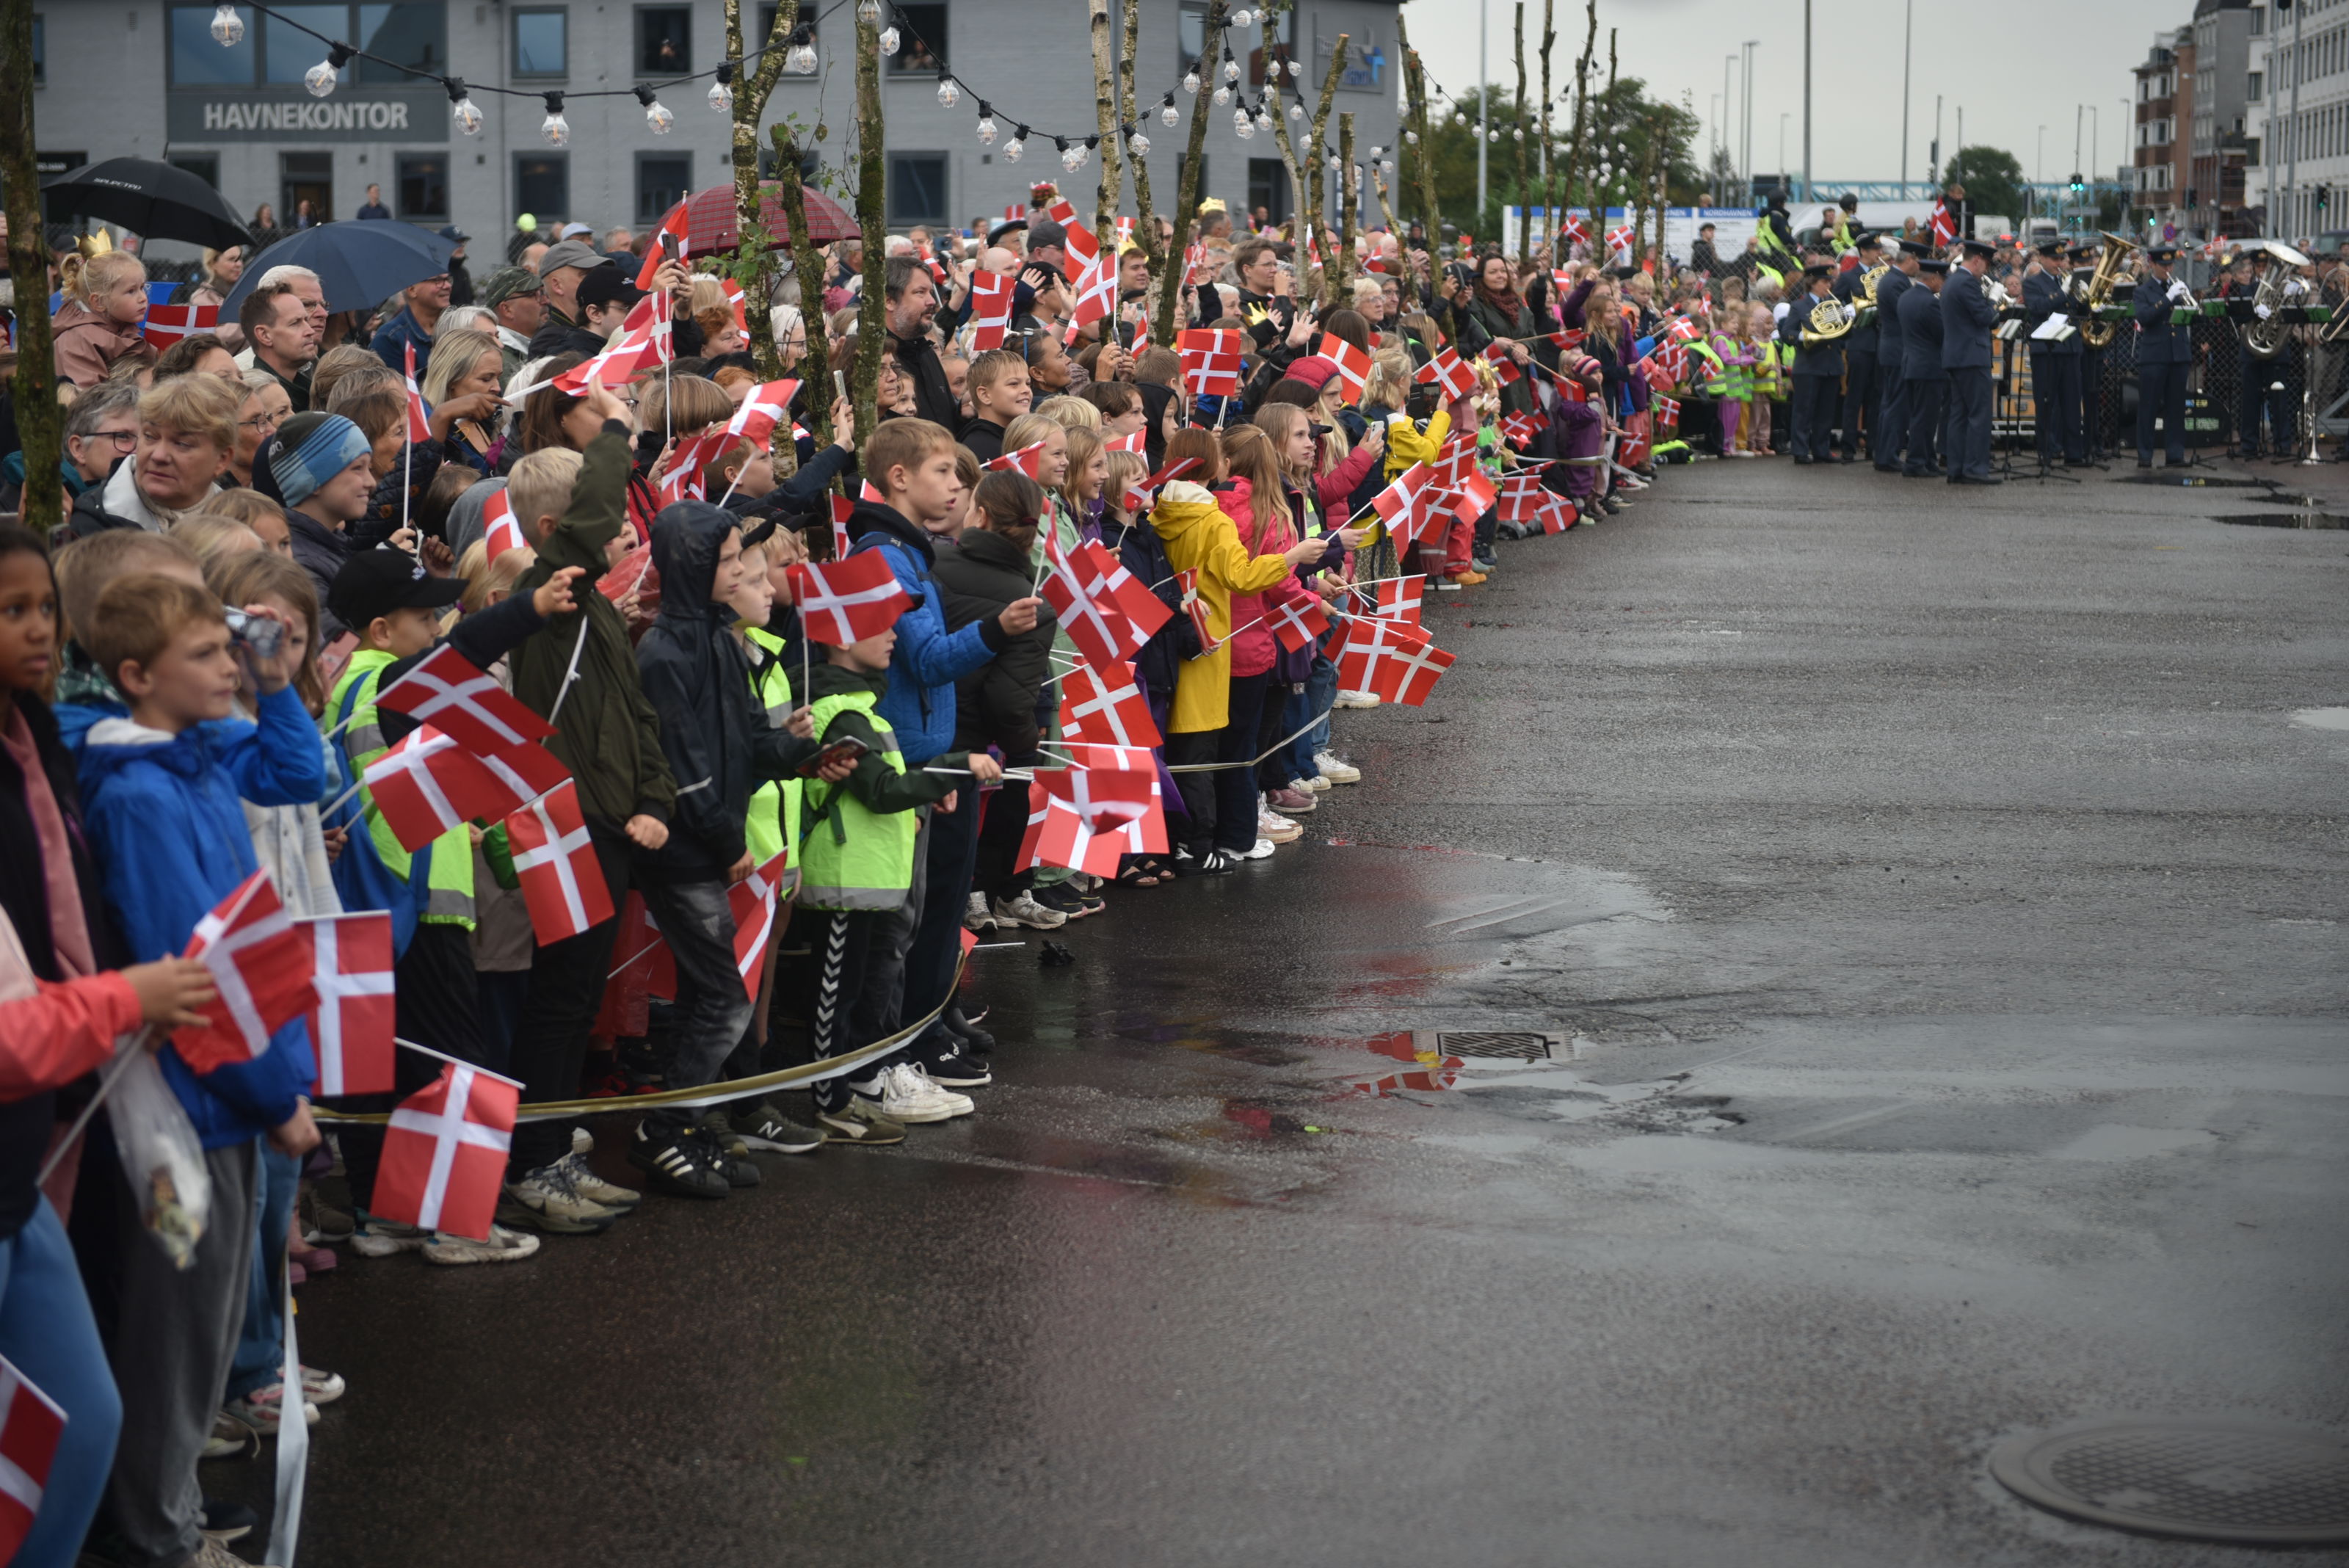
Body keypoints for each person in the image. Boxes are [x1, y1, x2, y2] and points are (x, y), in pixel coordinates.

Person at [72, 571, 321, 1568]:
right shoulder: (139, 794)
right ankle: (155, 1538)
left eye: (230, 649)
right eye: (209, 654)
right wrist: (274, 1098)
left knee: (206, 1335)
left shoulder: (196, 756)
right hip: (188, 1112)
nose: (231, 664)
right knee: (174, 1347)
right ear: (137, 677)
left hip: (232, 1100)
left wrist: (273, 679)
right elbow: (195, 975)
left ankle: (160, 1518)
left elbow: (295, 771)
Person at [843, 418, 1039, 1103]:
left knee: (934, 909)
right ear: (900, 477)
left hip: (933, 757)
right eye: (944, 473)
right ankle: (908, 1045)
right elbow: (925, 662)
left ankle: (927, 1027)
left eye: (962, 476)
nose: (959, 485)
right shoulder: (887, 556)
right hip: (913, 761)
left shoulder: (914, 552)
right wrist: (996, 628)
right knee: (912, 921)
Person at [797, 597, 1001, 1137]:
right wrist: (954, 768)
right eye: (878, 626)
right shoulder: (839, 712)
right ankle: (831, 1098)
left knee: (865, 988)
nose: (893, 635)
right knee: (834, 996)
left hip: (869, 877)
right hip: (844, 878)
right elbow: (880, 790)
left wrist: (924, 793)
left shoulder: (861, 708)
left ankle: (863, 1080)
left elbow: (882, 789)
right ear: (840, 639)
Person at [68, 374, 241, 537]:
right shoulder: (91, 526)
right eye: (150, 436)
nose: (159, 456)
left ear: (222, 459)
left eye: (182, 444)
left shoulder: (245, 523)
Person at [269, 411, 378, 634]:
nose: (371, 482)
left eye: (369, 468)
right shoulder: (300, 565)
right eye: (358, 468)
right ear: (312, 480)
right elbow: (337, 651)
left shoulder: (333, 543)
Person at [1940, 238, 2000, 484]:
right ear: (1976, 260)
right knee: (1978, 415)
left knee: (1959, 415)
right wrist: (1994, 300)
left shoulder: (1952, 281)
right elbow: (1986, 317)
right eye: (1985, 265)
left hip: (1956, 356)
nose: (1985, 270)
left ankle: (1957, 467)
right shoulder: (1967, 283)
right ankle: (1975, 468)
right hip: (1972, 356)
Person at [2021, 239, 2085, 468]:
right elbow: (2038, 307)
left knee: (2071, 402)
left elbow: (2079, 310)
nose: (2060, 263)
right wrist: (2063, 292)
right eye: (2055, 259)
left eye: (2062, 259)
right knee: (2046, 402)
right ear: (2043, 259)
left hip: (2069, 347)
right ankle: (2046, 452)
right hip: (2046, 350)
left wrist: (2085, 297)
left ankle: (2073, 453)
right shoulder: (2033, 283)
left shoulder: (2068, 280)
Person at [52, 250, 156, 389]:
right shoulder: (76, 341)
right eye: (131, 291)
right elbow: (87, 400)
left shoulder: (122, 328)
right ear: (99, 302)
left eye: (142, 288)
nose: (143, 298)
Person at [1776, 264, 1845, 465]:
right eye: (1825, 281)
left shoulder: (1833, 304)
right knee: (1804, 410)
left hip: (1831, 363)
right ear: (1813, 283)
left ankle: (1821, 449)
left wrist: (1846, 319)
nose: (1829, 285)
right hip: (1809, 364)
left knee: (1826, 411)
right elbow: (1787, 333)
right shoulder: (1800, 306)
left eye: (1829, 281)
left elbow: (1845, 335)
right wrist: (1806, 337)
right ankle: (1800, 450)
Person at [2134, 244, 2192, 468]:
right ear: (2152, 265)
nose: (2168, 268)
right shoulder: (2143, 291)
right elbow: (2145, 317)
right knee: (2148, 407)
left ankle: (2175, 454)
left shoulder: (2177, 287)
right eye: (2164, 264)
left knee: (2176, 407)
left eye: (2171, 264)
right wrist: (2168, 298)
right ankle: (2145, 455)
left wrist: (2188, 301)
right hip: (2154, 355)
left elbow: (2193, 318)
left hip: (2178, 354)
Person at [1830, 232, 1884, 463]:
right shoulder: (1850, 277)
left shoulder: (1883, 276)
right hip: (1859, 342)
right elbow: (1834, 304)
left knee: (1876, 397)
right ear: (1864, 251)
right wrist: (1849, 311)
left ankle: (1873, 445)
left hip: (1879, 342)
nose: (1878, 254)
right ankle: (1849, 447)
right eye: (1875, 250)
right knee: (1855, 396)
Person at [1873, 240, 1923, 472]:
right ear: (1910, 259)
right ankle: (1887, 455)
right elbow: (1909, 314)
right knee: (1895, 406)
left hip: (1894, 349)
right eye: (1918, 261)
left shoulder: (1894, 280)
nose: (1919, 266)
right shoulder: (1895, 283)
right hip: (1897, 350)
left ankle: (1886, 453)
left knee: (1891, 404)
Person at [1899, 259, 1950, 478]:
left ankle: (1928, 460)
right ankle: (1915, 462)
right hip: (1928, 366)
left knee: (1920, 415)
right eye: (1941, 279)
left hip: (1912, 363)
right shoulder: (1929, 302)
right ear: (1933, 278)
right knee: (1925, 418)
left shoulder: (1906, 297)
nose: (1942, 284)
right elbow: (1942, 333)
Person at [240, 280, 321, 412]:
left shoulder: (307, 389)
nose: (310, 331)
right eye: (295, 323)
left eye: (306, 320)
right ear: (264, 335)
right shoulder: (255, 401)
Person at [372, 271, 453, 373]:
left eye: (448, 279)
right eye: (438, 281)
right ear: (412, 290)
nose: (447, 286)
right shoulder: (390, 337)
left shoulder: (456, 327)